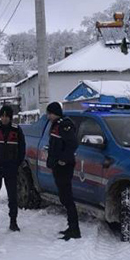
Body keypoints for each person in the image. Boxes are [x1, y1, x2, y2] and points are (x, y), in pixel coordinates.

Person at [0, 105, 26, 232]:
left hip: (11, 168)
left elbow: (22, 149)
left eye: (6, 116)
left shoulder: (16, 130)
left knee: (12, 196)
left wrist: (16, 164)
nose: (4, 118)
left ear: (10, 117)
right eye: (2, 116)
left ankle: (13, 222)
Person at [45, 102, 80, 241]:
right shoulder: (56, 124)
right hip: (57, 166)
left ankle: (74, 229)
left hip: (64, 167)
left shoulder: (65, 125)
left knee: (67, 197)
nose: (48, 116)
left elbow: (72, 144)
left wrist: (63, 160)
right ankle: (71, 227)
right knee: (63, 196)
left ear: (55, 113)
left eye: (49, 113)